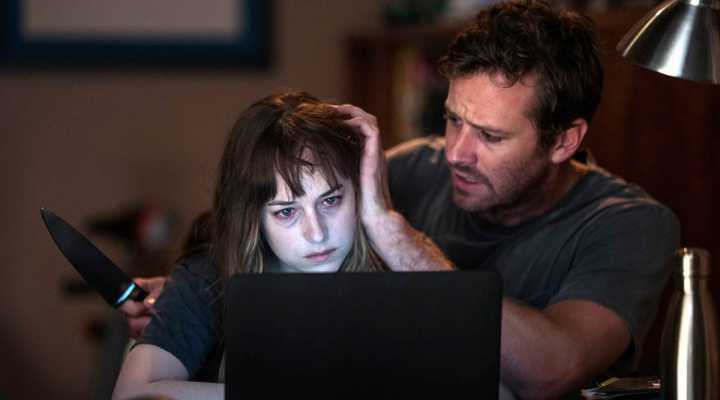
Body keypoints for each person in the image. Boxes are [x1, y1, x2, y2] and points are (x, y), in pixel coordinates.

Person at [124, 1, 680, 398]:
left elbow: (551, 372)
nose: (456, 152)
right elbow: (275, 212)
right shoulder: (418, 164)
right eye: (453, 119)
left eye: (489, 137)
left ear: (564, 141)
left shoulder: (630, 226)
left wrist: (394, 234)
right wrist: (198, 292)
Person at [112, 91, 385, 400]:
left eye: (331, 200)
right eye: (286, 212)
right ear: (254, 217)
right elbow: (131, 395)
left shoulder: (396, 267)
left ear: (361, 190)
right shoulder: (206, 279)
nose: (317, 233)